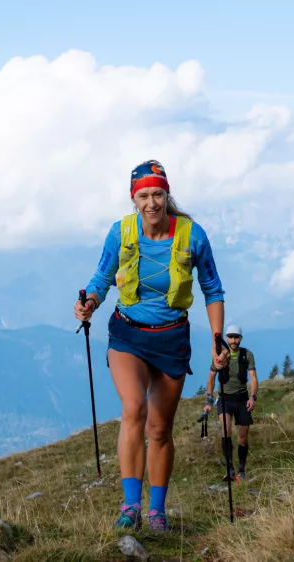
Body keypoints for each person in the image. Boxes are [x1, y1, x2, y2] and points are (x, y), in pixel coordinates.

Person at [74, 159, 229, 533]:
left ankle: (157, 510)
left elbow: (213, 289)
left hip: (172, 339)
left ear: (167, 194)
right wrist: (90, 302)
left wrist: (216, 339)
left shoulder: (193, 236)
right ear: (134, 199)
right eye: (143, 195)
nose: (151, 203)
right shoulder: (121, 233)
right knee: (134, 408)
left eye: (157, 194)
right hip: (127, 334)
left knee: (160, 428)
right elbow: (102, 277)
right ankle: (131, 507)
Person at [203, 324, 258, 482]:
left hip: (242, 398)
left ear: (240, 338)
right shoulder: (220, 356)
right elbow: (211, 379)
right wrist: (208, 400)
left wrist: (252, 397)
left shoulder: (247, 355)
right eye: (230, 337)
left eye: (236, 337)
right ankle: (230, 469)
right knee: (225, 429)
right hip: (225, 398)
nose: (233, 340)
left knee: (243, 436)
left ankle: (241, 469)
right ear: (226, 338)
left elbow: (253, 377)